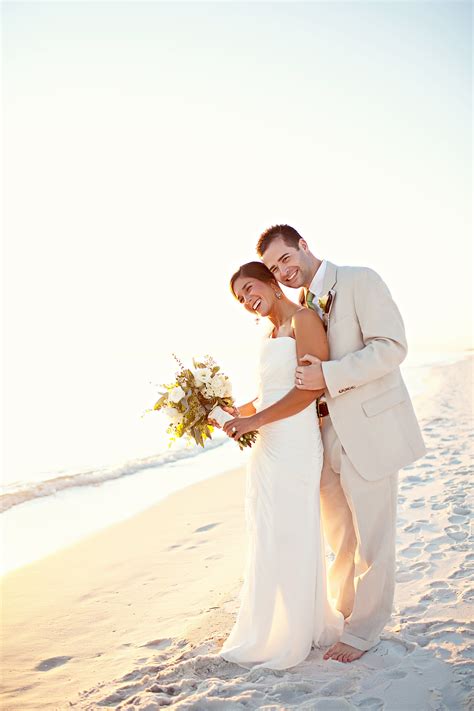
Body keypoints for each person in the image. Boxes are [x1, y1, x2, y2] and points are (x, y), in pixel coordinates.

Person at [252, 224, 427, 663]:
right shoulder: (305, 307)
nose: (284, 271)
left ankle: (366, 629)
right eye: (275, 268)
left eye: (286, 259)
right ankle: (344, 613)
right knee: (340, 538)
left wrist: (328, 376)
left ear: (304, 247)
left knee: (374, 537)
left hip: (368, 429)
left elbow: (391, 348)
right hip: (323, 435)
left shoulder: (359, 280)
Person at [217, 261, 343, 670]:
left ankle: (297, 629)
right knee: (269, 530)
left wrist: (254, 420)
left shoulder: (303, 319)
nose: (248, 300)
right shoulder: (271, 334)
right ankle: (274, 623)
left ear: (272, 283)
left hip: (295, 443)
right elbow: (266, 393)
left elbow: (310, 390)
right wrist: (231, 413)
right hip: (268, 445)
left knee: (292, 529)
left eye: (250, 288)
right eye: (240, 298)